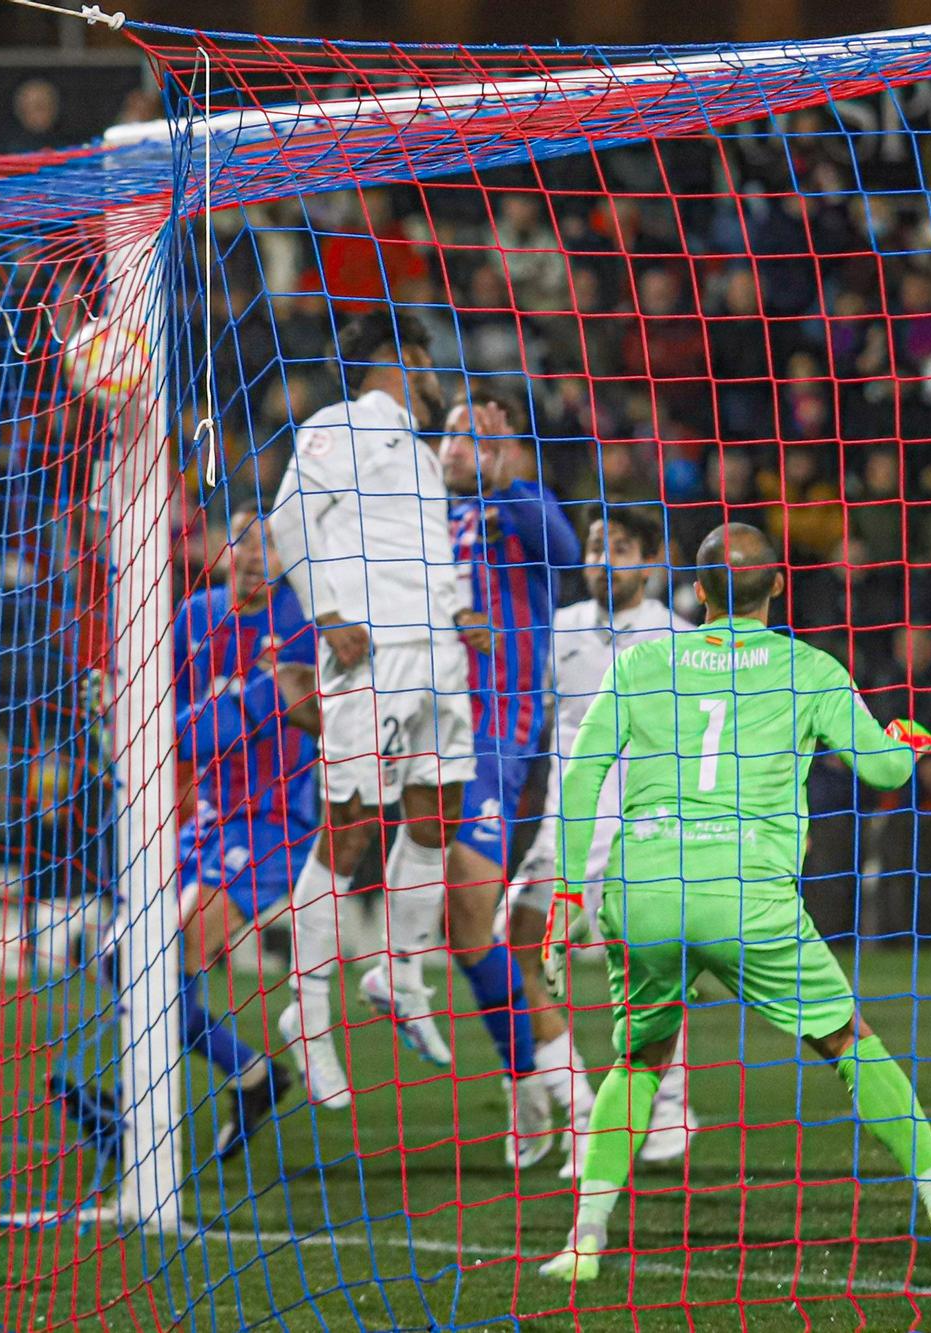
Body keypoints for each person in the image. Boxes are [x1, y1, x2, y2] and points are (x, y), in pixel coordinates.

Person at [541, 523, 931, 1281]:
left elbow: (581, 778)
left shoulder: (642, 661)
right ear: (779, 587)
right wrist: (908, 740)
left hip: (643, 886)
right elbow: (881, 772)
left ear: (700, 591)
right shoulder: (807, 667)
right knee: (849, 1041)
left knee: (639, 1057)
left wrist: (566, 895)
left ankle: (585, 1240)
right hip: (746, 893)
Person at [51, 504, 319, 1168]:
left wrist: (171, 725)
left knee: (168, 954)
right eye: (246, 539)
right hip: (206, 815)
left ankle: (131, 1117)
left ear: (290, 559)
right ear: (225, 547)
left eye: (272, 545)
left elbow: (220, 727)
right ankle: (254, 1074)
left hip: (274, 823)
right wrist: (126, 703)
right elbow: (154, 706)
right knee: (128, 960)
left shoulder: (305, 629)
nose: (258, 554)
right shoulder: (197, 615)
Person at [265, 309, 483, 1120]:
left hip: (437, 657)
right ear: (407, 358)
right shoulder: (344, 423)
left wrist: (460, 611)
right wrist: (325, 610)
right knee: (350, 825)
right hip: (372, 656)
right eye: (432, 368)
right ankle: (309, 1018)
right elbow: (287, 516)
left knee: (438, 812)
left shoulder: (420, 456)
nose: (438, 385)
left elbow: (426, 550)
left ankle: (400, 967)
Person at [407, 389, 580, 1167]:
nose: (461, 447)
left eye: (481, 437)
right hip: (418, 728)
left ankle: (569, 1098)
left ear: (509, 450)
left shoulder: (523, 509)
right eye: (453, 433)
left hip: (494, 737)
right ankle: (530, 1083)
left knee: (472, 907)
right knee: (467, 927)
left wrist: (504, 479)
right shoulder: (414, 517)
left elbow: (567, 551)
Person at [510, 506, 703, 1178]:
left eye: (619, 547)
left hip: (638, 830)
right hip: (562, 825)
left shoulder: (679, 639)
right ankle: (566, 1101)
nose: (604, 559)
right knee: (512, 949)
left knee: (645, 972)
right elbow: (530, 716)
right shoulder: (559, 629)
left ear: (650, 562)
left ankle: (672, 1105)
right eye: (596, 546)